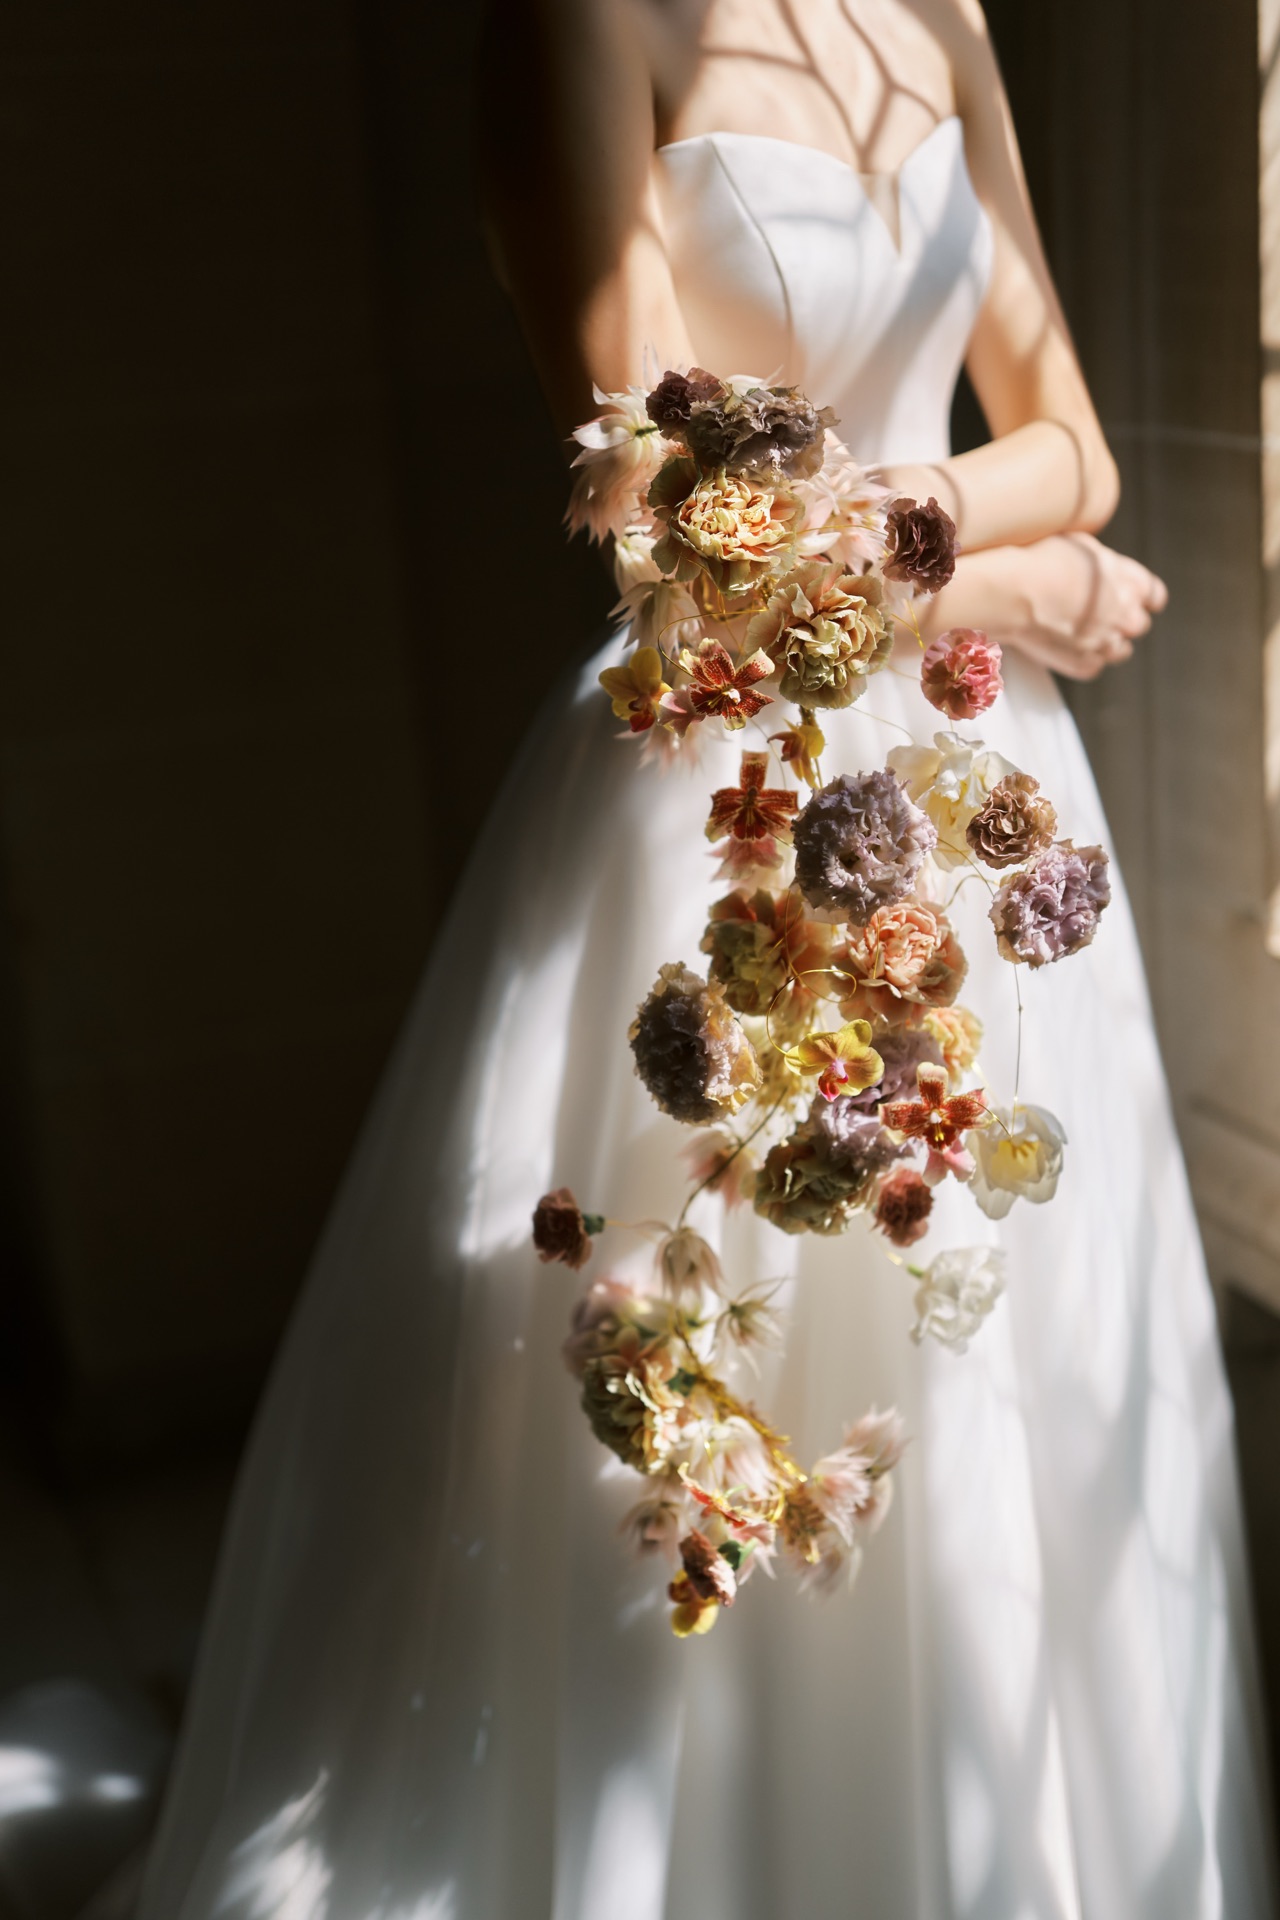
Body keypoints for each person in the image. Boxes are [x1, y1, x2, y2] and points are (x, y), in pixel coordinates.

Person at [138, 2, 1278, 1915]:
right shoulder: (585, 23)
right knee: (716, 1356)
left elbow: (1068, 438)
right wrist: (999, 578)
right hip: (722, 782)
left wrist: (914, 538)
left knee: (1013, 1360)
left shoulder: (936, 23)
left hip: (988, 801)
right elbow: (669, 534)